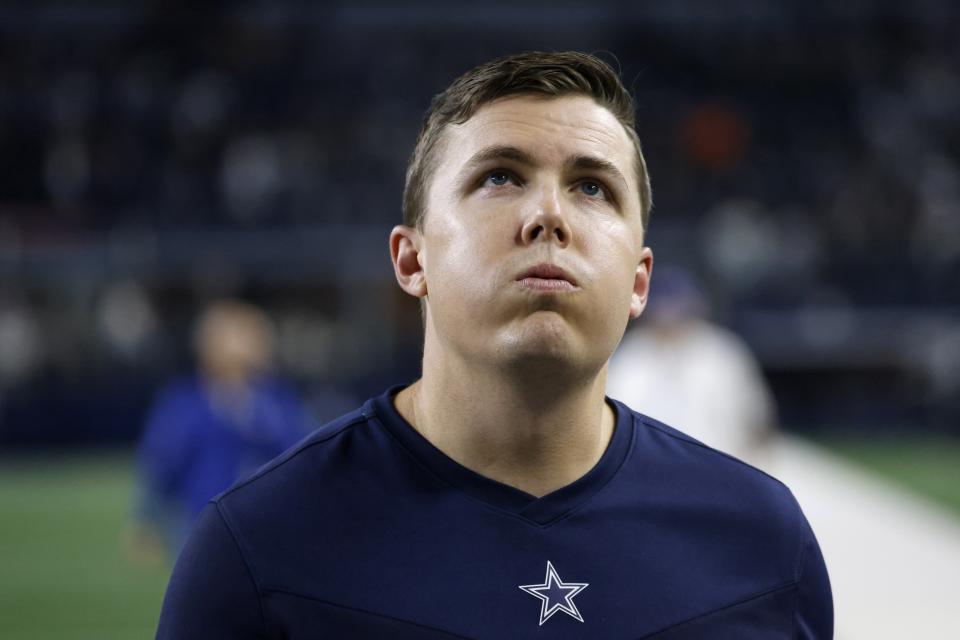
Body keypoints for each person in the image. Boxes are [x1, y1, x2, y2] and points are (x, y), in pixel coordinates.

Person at [157, 52, 832, 638]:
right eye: (500, 177)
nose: (549, 215)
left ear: (639, 281)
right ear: (411, 260)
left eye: (592, 186)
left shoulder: (764, 542)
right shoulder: (258, 548)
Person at [126, 299, 312, 561]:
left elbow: (302, 457)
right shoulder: (184, 402)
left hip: (268, 529)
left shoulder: (275, 401)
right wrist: (146, 521)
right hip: (203, 530)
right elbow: (162, 465)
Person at [607, 267, 776, 468]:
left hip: (719, 468)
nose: (668, 316)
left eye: (675, 306)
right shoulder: (631, 355)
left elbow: (756, 422)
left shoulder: (721, 352)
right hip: (649, 471)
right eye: (663, 307)